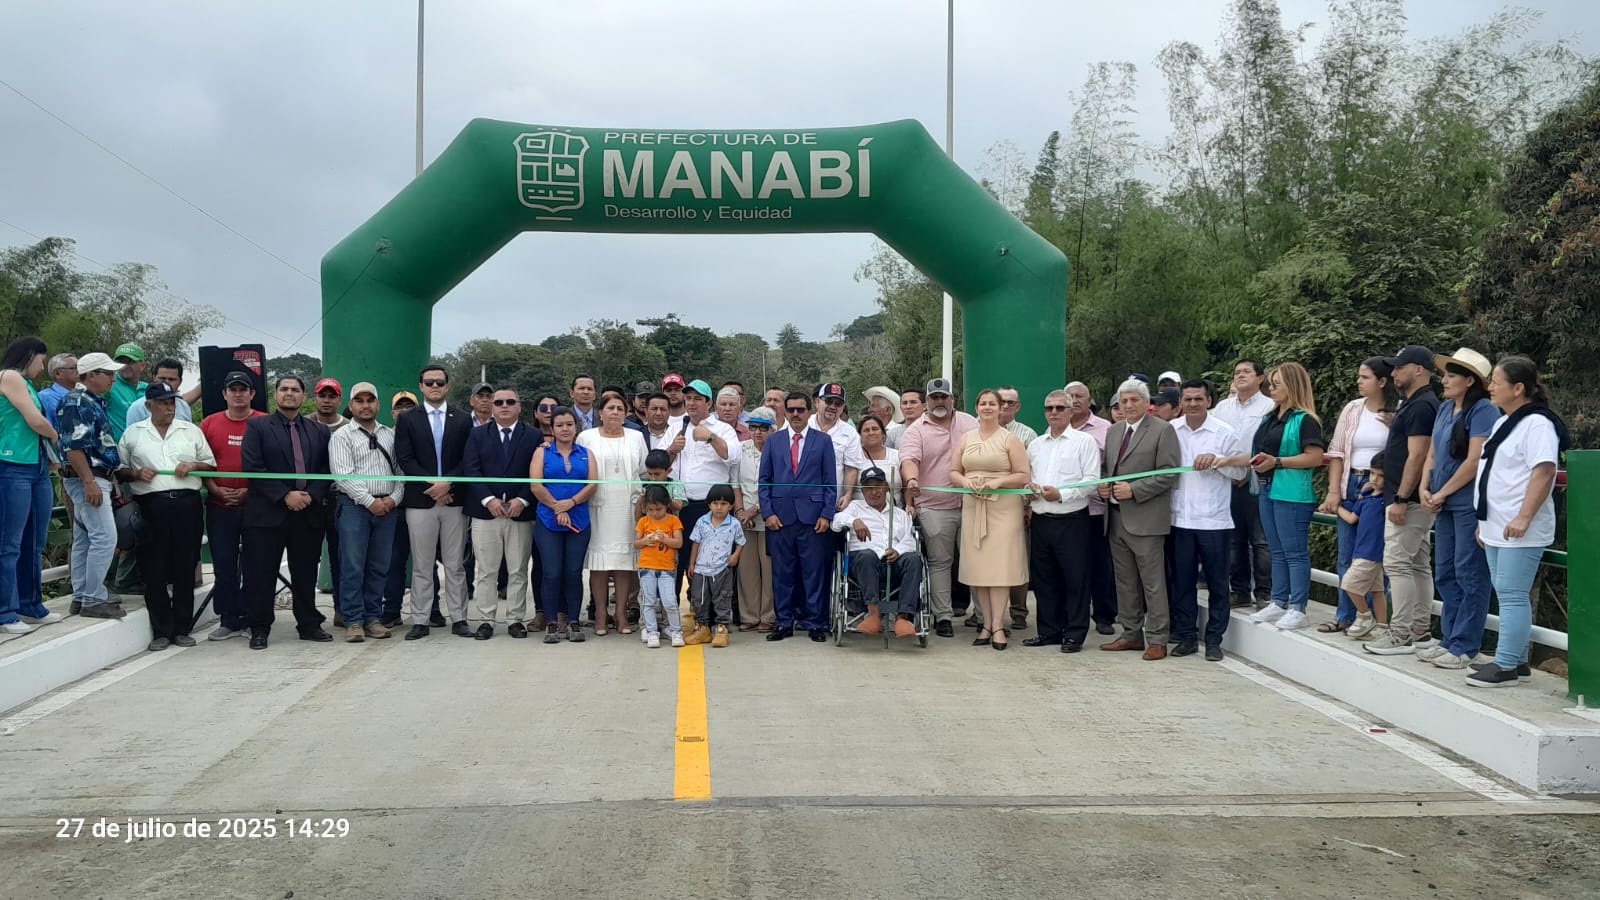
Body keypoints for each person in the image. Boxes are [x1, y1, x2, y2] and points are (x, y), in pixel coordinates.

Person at [1467, 356, 1567, 688]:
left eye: (1496, 382)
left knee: (1511, 593)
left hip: (1520, 526)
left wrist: (1524, 516)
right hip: (1496, 524)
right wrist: (1484, 521)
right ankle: (1517, 659)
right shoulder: (1504, 422)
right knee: (1506, 592)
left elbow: (1545, 470)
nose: (1490, 388)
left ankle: (1506, 665)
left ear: (1518, 388)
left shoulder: (1537, 424)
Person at [117, 381, 215, 651]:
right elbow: (120, 470)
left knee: (185, 566)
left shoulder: (190, 431)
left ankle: (182, 628)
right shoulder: (133, 434)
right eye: (162, 403)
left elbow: (210, 464)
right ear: (149, 406)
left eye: (172, 402)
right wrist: (136, 473)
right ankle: (161, 630)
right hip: (151, 505)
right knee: (153, 568)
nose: (169, 408)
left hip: (186, 504)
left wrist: (193, 465)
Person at [1417, 348, 1498, 669]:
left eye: (1452, 376)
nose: (1445, 380)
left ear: (1470, 381)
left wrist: (1442, 492)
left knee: (1470, 572)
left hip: (1466, 503)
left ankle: (1466, 645)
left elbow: (1475, 460)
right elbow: (1432, 453)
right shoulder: (1445, 408)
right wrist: (1425, 487)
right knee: (1446, 571)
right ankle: (1449, 639)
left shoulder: (1484, 410)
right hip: (1442, 502)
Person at [240, 376, 334, 650]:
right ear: (275, 395)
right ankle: (259, 627)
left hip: (308, 512)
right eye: (284, 389)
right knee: (261, 573)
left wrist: (310, 495)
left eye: (295, 390)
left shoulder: (319, 431)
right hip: (267, 513)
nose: (289, 394)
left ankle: (308, 624)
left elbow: (327, 469)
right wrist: (285, 495)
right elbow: (253, 467)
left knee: (305, 572)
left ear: (304, 396)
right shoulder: (257, 426)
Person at [1231, 363, 1326, 632]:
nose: (1271, 389)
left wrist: (1278, 462)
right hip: (1266, 488)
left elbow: (1315, 457)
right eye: (1270, 384)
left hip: (1292, 492)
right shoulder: (1270, 418)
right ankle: (1279, 600)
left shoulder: (1305, 420)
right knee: (1277, 549)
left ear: (1293, 386)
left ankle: (1298, 606)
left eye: (1277, 384)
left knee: (1294, 552)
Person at [1363, 345, 1441, 656]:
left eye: (1399, 367)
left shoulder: (1422, 406)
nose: (1393, 373)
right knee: (1418, 564)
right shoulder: (1418, 404)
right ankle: (1420, 630)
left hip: (1408, 500)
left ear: (1419, 370)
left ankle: (1401, 633)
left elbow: (1418, 455)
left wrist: (1401, 497)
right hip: (1413, 498)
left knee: (1397, 564)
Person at [1098, 378, 1182, 660]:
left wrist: (1135, 490)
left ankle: (1157, 638)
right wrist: (1103, 486)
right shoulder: (1113, 431)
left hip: (1146, 519)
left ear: (1147, 403)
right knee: (1124, 581)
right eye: (1124, 401)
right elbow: (1107, 469)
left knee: (1152, 583)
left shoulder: (1162, 430)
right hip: (1115, 518)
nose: (1128, 405)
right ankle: (1131, 633)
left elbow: (1169, 473)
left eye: (1134, 400)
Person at [1318, 358, 1398, 633]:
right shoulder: (1353, 408)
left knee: (1377, 557)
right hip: (1352, 481)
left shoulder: (1398, 410)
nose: (1359, 381)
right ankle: (1346, 615)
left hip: (1383, 486)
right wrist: (1333, 491)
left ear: (1382, 381)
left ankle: (1377, 620)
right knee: (1346, 554)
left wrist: (1395, 426)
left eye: (1365, 377)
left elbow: (1407, 451)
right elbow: (1337, 451)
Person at [394, 364, 473, 640]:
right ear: (421, 386)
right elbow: (405, 458)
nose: (435, 386)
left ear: (448, 386)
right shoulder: (408, 419)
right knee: (422, 564)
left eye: (440, 382)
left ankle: (459, 618)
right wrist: (434, 487)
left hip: (454, 499)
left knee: (455, 563)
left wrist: (448, 483)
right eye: (429, 382)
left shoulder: (463, 419)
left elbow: (467, 459)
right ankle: (420, 620)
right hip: (421, 500)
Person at [1170, 381, 1246, 660]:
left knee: (1217, 584)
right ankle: (1187, 636)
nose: (1193, 404)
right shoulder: (1171, 430)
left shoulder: (1224, 432)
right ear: (1181, 402)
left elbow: (1241, 473)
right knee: (1182, 583)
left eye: (1198, 399)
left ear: (1209, 401)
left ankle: (1214, 640)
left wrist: (1219, 461)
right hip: (1179, 519)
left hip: (1214, 522)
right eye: (1188, 399)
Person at [951, 389, 1031, 650]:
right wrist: (966, 482)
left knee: (999, 569)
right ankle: (985, 624)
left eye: (992, 404)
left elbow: (1023, 475)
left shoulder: (1010, 439)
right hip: (974, 506)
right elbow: (954, 471)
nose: (987, 407)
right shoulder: (966, 438)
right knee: (980, 570)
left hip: (1003, 509)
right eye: (983, 403)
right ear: (976, 408)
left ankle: (998, 625)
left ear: (1000, 408)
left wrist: (998, 482)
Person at [1020, 390, 1100, 652]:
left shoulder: (1084, 441)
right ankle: (1049, 631)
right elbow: (1029, 478)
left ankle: (1075, 633)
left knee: (1075, 580)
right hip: (1042, 519)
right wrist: (1030, 489)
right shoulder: (1036, 444)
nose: (1053, 412)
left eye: (1059, 408)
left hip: (1072, 520)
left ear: (1071, 410)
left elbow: (1091, 481)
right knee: (1044, 580)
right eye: (1049, 408)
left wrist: (1062, 495)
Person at [898, 377, 977, 637]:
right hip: (934, 506)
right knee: (940, 562)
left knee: (976, 560)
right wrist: (911, 479)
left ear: (952, 399)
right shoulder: (915, 430)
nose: (939, 401)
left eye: (944, 397)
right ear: (927, 402)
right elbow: (909, 460)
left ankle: (983, 616)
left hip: (972, 504)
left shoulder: (970, 423)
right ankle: (942, 616)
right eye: (934, 398)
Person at [461, 388, 542, 640]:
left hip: (520, 513)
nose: (504, 405)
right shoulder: (476, 434)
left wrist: (522, 499)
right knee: (486, 570)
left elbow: (537, 472)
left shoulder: (533, 435)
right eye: (499, 402)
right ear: (492, 408)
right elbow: (471, 469)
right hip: (486, 513)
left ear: (519, 407)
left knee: (518, 569)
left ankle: (515, 619)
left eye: (510, 402)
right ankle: (486, 619)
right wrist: (489, 500)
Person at [328, 381, 405, 642]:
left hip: (387, 508)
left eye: (370, 400)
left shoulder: (389, 436)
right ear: (351, 406)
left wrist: (393, 499)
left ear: (378, 405)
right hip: (354, 507)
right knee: (352, 565)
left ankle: (373, 617)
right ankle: (353, 620)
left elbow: (401, 473)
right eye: (359, 401)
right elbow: (343, 476)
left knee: (379, 566)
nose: (365, 406)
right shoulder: (342, 436)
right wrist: (370, 501)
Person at [760, 392, 837, 642]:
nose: (795, 414)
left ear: (808, 412)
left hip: (813, 518)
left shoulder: (823, 441)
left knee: (813, 573)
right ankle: (783, 622)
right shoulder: (773, 441)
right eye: (791, 409)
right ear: (785, 411)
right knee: (782, 574)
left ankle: (816, 622)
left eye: (800, 410)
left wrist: (826, 514)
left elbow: (830, 482)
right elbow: (764, 480)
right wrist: (768, 513)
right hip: (780, 518)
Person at [56, 351, 126, 620]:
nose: (113, 379)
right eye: (108, 373)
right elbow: (74, 446)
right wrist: (89, 481)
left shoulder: (86, 401)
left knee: (85, 538)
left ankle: (82, 595)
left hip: (90, 476)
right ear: (92, 374)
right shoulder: (78, 401)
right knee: (104, 537)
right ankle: (93, 597)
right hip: (89, 476)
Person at [0, 337, 63, 634]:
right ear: (30, 355)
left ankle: (31, 603)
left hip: (36, 467)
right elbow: (34, 421)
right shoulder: (9, 376)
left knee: (34, 540)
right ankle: (5, 611)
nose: (42, 366)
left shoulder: (28, 385)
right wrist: (55, 436)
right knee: (9, 543)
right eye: (42, 360)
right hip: (11, 465)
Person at [199, 371, 267, 640]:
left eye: (243, 390)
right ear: (224, 394)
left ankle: (252, 619)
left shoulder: (265, 422)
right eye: (233, 390)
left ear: (252, 393)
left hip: (256, 506)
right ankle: (228, 619)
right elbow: (202, 463)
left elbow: (273, 463)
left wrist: (249, 492)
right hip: (219, 506)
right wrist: (214, 488)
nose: (238, 395)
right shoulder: (209, 424)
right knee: (224, 564)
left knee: (255, 565)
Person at [577, 393, 647, 634]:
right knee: (600, 562)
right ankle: (600, 613)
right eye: (610, 408)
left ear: (626, 414)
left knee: (624, 562)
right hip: (598, 507)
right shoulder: (587, 437)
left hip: (628, 508)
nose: (615, 412)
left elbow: (643, 471)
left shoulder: (636, 437)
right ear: (601, 413)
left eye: (620, 408)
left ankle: (621, 613)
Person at [1213, 358, 1275, 608]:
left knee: (1261, 540)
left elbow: (1269, 445)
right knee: (1234, 540)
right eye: (1237, 371)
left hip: (1258, 480)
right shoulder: (1222, 408)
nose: (1240, 375)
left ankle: (1264, 593)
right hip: (1226, 481)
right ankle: (1239, 591)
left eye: (1246, 372)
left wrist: (1247, 470)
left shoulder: (1270, 406)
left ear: (1260, 378)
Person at [531, 408, 596, 643]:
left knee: (573, 573)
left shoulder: (586, 453)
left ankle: (574, 621)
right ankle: (551, 623)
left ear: (576, 427)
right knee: (551, 572)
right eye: (560, 425)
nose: (565, 429)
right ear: (552, 428)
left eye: (569, 424)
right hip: (548, 520)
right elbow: (536, 485)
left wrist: (571, 503)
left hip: (579, 520)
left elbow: (592, 484)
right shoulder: (542, 452)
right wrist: (557, 508)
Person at [833, 466, 923, 637]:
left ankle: (903, 618)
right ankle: (873, 614)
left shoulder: (900, 514)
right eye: (868, 488)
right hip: (862, 564)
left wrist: (898, 551)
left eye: (878, 487)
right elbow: (836, 522)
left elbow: (911, 541)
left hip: (893, 563)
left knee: (914, 559)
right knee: (867, 555)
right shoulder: (855, 507)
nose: (874, 492)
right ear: (862, 491)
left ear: (886, 487)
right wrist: (854, 521)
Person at [673, 380, 740, 595]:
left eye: (697, 399)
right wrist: (672, 449)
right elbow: (660, 463)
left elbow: (733, 456)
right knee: (680, 559)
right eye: (688, 398)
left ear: (709, 403)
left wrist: (710, 437)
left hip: (711, 508)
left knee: (711, 559)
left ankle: (710, 609)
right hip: (681, 506)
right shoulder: (677, 427)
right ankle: (672, 608)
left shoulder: (723, 428)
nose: (691, 403)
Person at [1065, 381, 1116, 635]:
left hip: (1096, 508)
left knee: (1100, 565)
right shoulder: (1057, 427)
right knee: (1073, 567)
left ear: (1089, 400)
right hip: (1066, 509)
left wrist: (1108, 486)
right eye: (1070, 396)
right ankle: (1074, 614)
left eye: (1079, 396)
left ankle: (1104, 616)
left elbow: (1115, 466)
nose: (1074, 400)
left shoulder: (1106, 429)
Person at [1336, 454, 1388, 640]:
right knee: (1377, 591)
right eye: (1372, 473)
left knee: (1349, 583)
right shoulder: (1365, 496)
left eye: (1381, 475)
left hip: (1372, 552)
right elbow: (1352, 518)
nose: (1375, 479)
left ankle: (1365, 616)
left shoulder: (1387, 499)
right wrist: (1336, 507)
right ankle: (1382, 626)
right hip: (1361, 549)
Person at [686, 483, 744, 647]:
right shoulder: (702, 522)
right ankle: (703, 629)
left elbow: (741, 542)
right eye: (715, 503)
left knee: (722, 598)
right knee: (699, 599)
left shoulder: (734, 524)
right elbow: (695, 543)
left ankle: (721, 630)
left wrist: (735, 555)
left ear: (731, 506)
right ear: (709, 504)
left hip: (722, 569)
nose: (719, 507)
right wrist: (692, 563)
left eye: (724, 503)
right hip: (701, 569)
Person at [734, 408, 776, 631]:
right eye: (753, 427)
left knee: (769, 570)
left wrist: (755, 510)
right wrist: (741, 511)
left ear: (772, 429)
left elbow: (776, 486)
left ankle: (768, 616)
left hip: (769, 517)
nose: (758, 432)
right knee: (746, 569)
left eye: (763, 427)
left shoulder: (778, 451)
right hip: (744, 519)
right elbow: (735, 483)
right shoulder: (741, 449)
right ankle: (749, 616)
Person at [634, 484, 685, 648]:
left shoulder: (673, 520)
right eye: (650, 509)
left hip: (666, 569)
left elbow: (679, 543)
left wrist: (664, 539)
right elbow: (636, 543)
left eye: (659, 509)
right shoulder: (643, 521)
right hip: (646, 567)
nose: (655, 513)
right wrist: (645, 540)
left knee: (669, 601)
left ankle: (676, 631)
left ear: (667, 506)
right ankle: (651, 631)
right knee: (648, 602)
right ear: (645, 508)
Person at [811, 383, 867, 513]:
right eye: (828, 401)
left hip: (833, 503)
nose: (833, 407)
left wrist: (848, 494)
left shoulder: (850, 433)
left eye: (838, 404)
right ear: (817, 402)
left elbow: (851, 468)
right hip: (802, 501)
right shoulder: (804, 426)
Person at [126, 358, 195, 429]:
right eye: (162, 378)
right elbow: (132, 434)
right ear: (154, 378)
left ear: (180, 382)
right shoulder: (138, 408)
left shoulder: (184, 407)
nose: (166, 383)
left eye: (171, 379)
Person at [106, 342, 148, 442]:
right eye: (121, 361)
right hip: (118, 448)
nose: (125, 365)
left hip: (145, 448)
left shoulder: (149, 389)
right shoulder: (109, 385)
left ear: (142, 365)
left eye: (130, 362)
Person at [857, 415, 900, 498]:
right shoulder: (853, 457)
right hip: (860, 505)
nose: (871, 433)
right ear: (860, 436)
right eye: (866, 430)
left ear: (883, 433)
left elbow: (907, 487)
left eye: (875, 429)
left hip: (893, 505)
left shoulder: (897, 455)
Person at [38, 353, 77, 425]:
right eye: (73, 368)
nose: (79, 371)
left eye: (80, 367)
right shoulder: (45, 397)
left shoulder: (84, 395)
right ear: (57, 374)